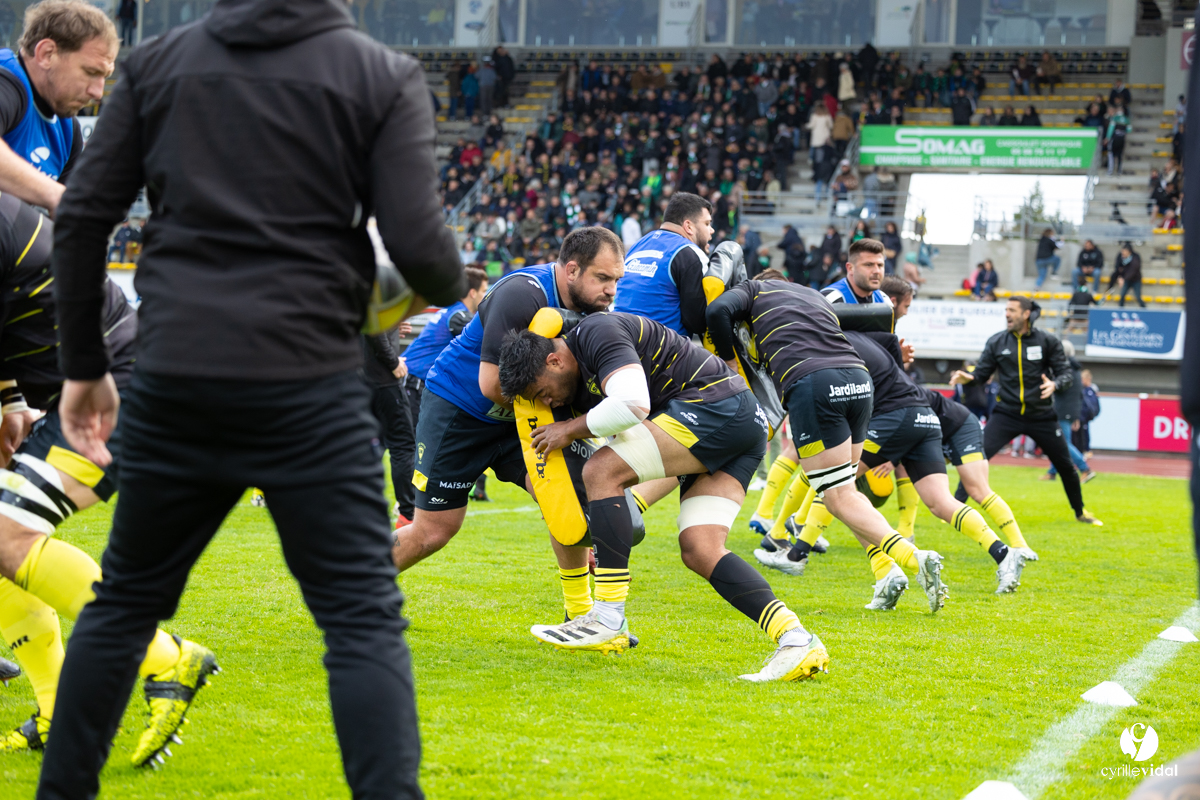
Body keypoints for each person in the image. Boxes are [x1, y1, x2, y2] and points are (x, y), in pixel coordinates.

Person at [42, 0, 465, 793]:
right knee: (361, 621)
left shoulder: (157, 63)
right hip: (311, 381)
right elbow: (425, 254)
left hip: (177, 375)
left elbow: (82, 221)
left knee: (124, 605)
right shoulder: (381, 74)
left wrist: (86, 367)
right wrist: (410, 288)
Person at [0, 192, 215, 762]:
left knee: (6, 538)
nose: (99, 93)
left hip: (121, 394)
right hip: (115, 386)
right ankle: (55, 710)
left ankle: (167, 658)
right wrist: (9, 398)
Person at [501, 312, 830, 682]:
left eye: (542, 391)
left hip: (717, 407)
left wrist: (569, 430)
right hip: (739, 423)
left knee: (602, 471)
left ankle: (609, 615)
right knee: (699, 548)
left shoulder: (595, 332)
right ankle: (796, 638)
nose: (546, 400)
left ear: (554, 360)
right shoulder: (568, 385)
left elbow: (632, 403)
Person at [392, 228, 624, 626]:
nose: (611, 290)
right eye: (603, 278)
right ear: (571, 270)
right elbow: (492, 385)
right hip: (461, 411)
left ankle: (581, 613)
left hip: (528, 415)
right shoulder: (523, 293)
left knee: (564, 502)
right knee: (433, 531)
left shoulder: (593, 312)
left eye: (617, 280)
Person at [706, 271, 947, 613]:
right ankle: (885, 571)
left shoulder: (752, 290)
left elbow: (716, 312)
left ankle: (913, 558)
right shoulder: (810, 294)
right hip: (859, 381)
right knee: (844, 492)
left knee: (837, 496)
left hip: (814, 382)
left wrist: (731, 363)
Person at [770, 327, 1037, 596]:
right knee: (940, 502)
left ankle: (797, 555)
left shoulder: (830, 343)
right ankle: (1003, 553)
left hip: (896, 416)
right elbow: (888, 341)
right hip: (925, 416)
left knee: (839, 486)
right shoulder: (868, 337)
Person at [880, 276, 1032, 568]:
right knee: (934, 497)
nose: (907, 313)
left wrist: (888, 453)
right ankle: (906, 534)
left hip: (960, 427)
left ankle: (1020, 547)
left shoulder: (897, 379)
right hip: (932, 430)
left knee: (977, 490)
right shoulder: (889, 355)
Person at [951, 298, 1102, 526]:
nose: (1007, 314)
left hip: (1041, 415)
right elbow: (981, 374)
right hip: (1006, 414)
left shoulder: (1047, 341)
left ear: (1026, 314)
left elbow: (1066, 374)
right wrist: (969, 378)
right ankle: (955, 508)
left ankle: (1080, 512)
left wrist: (1054, 385)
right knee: (975, 458)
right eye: (1006, 310)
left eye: (1012, 310)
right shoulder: (997, 341)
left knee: (1064, 465)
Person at [396, 267, 488, 511]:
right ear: (471, 292)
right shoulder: (459, 316)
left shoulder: (449, 312)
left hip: (413, 381)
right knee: (411, 446)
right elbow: (486, 339)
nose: (485, 296)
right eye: (483, 291)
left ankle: (409, 503)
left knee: (406, 444)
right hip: (411, 381)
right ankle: (407, 506)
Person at [613, 192, 712, 339]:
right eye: (707, 224)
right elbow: (697, 323)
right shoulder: (690, 253)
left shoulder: (638, 244)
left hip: (617, 338)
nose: (711, 230)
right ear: (689, 226)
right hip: (659, 351)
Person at [1042, 340, 1096, 484]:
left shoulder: (1067, 369)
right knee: (1058, 442)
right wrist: (1076, 415)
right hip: (1068, 410)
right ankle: (1052, 472)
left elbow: (1060, 387)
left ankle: (1085, 469)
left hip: (1062, 410)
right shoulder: (1075, 368)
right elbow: (1078, 394)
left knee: (1063, 443)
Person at [821, 237, 893, 306]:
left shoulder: (884, 300)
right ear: (850, 268)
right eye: (868, 265)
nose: (877, 271)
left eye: (880, 265)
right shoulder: (828, 300)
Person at [1111, 242, 1144, 307]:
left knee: (1138, 296)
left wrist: (1124, 278)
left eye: (1124, 251)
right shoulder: (1120, 257)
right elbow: (1118, 267)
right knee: (1122, 295)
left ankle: (1145, 310)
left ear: (1128, 251)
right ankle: (1120, 309)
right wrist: (1119, 277)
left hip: (1135, 280)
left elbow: (1133, 270)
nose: (1122, 253)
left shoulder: (1135, 257)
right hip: (1126, 280)